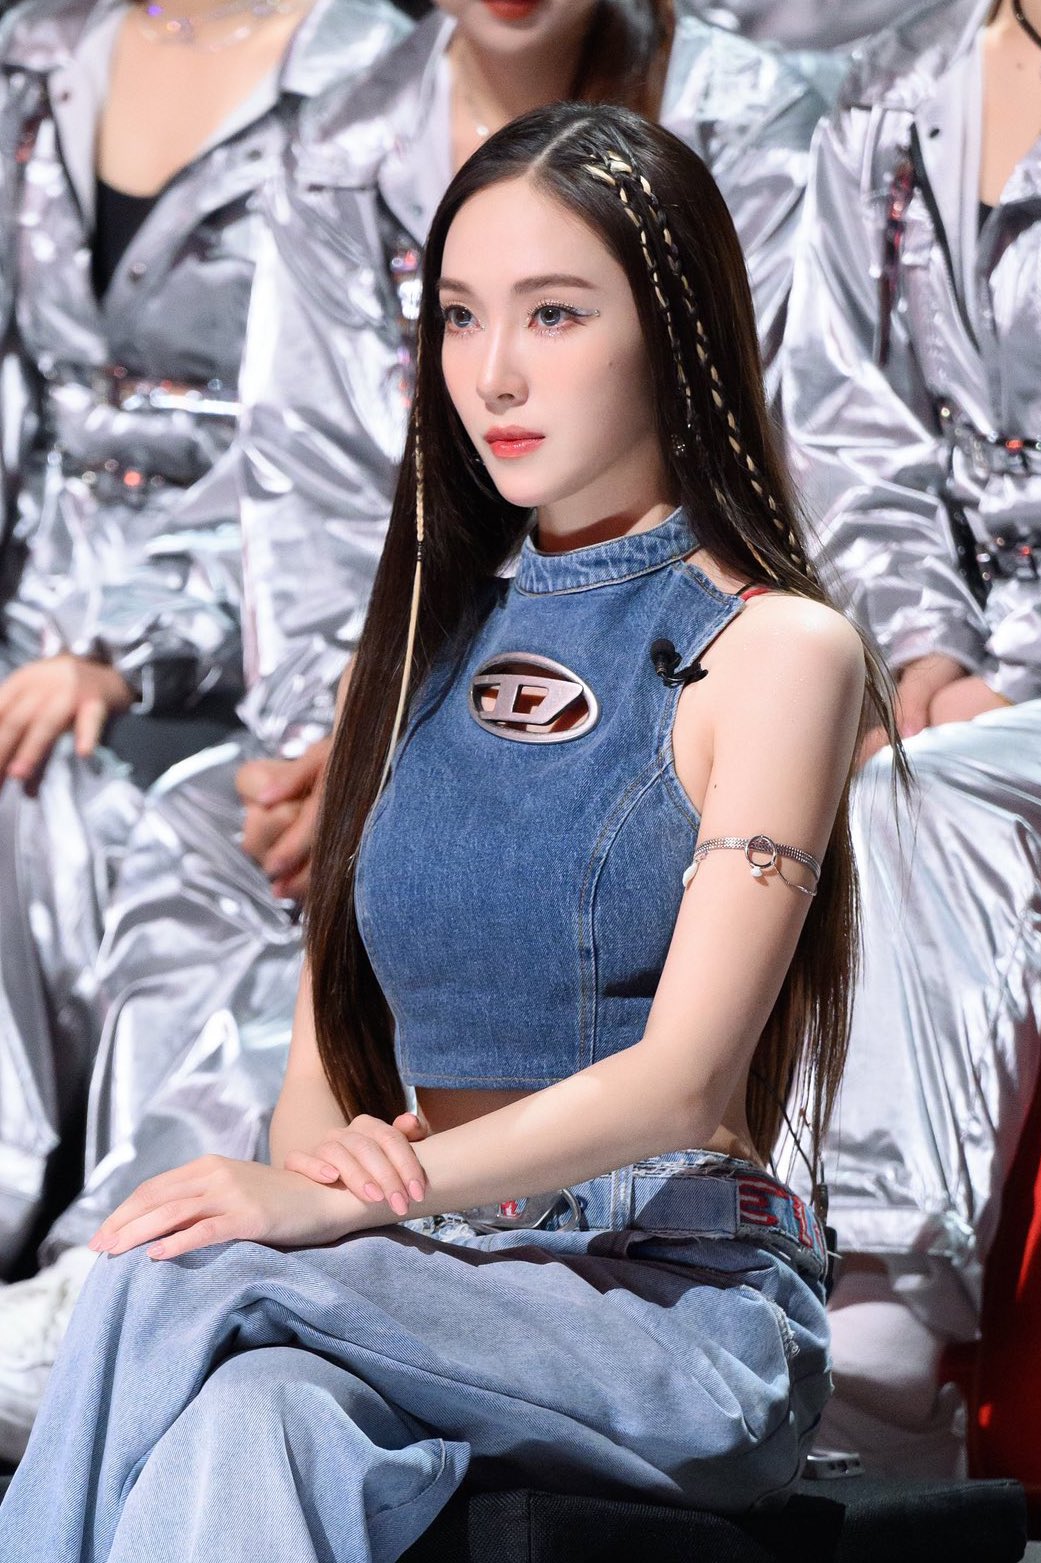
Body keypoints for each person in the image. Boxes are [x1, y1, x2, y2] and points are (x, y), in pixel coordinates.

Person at [0, 100, 880, 1557]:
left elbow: (681, 1085)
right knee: (257, 1417)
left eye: (554, 313)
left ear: (674, 336)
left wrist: (355, 1203)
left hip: (676, 1309)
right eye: (461, 317)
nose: (495, 372)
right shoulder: (412, 649)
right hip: (429, 1277)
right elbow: (320, 1073)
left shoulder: (778, 648)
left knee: (176, 1268)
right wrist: (334, 1181)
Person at [0, 0, 407, 1281]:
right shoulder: (33, 53)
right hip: (36, 605)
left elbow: (324, 464)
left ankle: (119, 1266)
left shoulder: (367, 79)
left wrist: (131, 646)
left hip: (266, 641)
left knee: (90, 806)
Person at [782, 0, 1041, 1475]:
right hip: (954, 668)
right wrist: (929, 654)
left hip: (989, 726)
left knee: (920, 793)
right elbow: (849, 430)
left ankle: (884, 1301)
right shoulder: (883, 95)